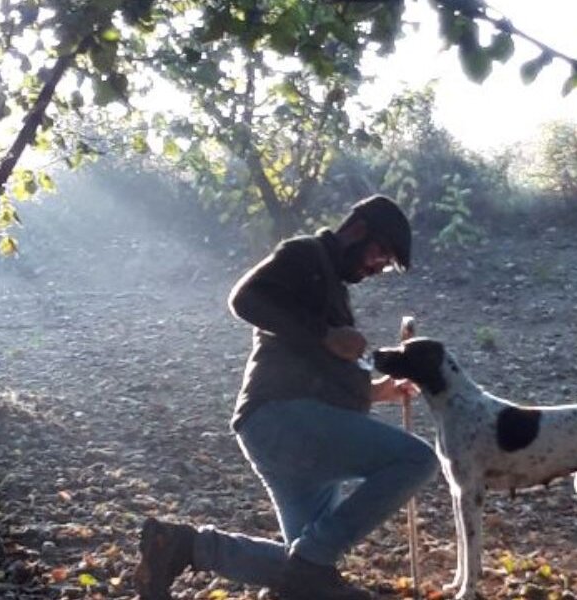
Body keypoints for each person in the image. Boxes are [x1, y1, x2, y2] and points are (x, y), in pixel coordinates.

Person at [134, 194, 439, 600]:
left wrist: (377, 391)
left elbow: (317, 364)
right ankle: (313, 563)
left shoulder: (331, 283)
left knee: (305, 573)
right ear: (358, 230)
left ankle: (182, 546)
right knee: (417, 459)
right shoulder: (305, 254)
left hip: (291, 432)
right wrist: (326, 334)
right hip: (286, 420)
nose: (377, 265)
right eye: (380, 253)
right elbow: (244, 299)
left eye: (384, 263)